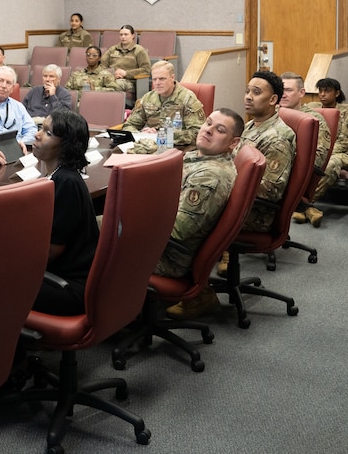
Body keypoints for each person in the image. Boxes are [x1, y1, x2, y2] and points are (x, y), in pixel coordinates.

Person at [161, 109, 245, 319]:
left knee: (94, 228)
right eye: (208, 123)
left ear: (233, 143)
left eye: (219, 130)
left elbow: (177, 231)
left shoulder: (209, 176)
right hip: (165, 245)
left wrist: (131, 214)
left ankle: (102, 312)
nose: (208, 130)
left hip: (169, 257)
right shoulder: (203, 158)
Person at [30, 110, 99, 315]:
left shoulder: (66, 182)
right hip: (66, 276)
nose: (37, 135)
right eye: (41, 128)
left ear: (66, 145)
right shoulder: (59, 176)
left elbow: (51, 251)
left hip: (70, 287)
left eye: (48, 133)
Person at [239, 71, 296, 234]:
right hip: (238, 201)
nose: (248, 97)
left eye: (256, 92)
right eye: (247, 91)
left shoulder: (277, 139)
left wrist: (226, 181)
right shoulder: (251, 125)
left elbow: (271, 191)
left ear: (273, 100)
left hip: (253, 213)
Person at [305, 78, 348, 220]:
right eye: (320, 91)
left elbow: (342, 142)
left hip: (341, 154)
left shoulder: (345, 114)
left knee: (330, 164)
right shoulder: (312, 111)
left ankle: (306, 203)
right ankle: (307, 208)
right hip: (315, 152)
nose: (322, 94)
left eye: (327, 91)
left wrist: (320, 155)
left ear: (337, 93)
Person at [279, 72, 332, 227]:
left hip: (292, 173)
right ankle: (303, 207)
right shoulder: (271, 115)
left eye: (288, 90)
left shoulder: (313, 120)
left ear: (302, 93)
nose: (283, 94)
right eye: (280, 90)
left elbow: (319, 156)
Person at [121, 60, 205, 148]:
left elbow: (197, 132)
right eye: (154, 79)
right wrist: (142, 135)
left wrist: (162, 135)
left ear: (172, 78)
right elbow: (129, 125)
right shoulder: (148, 98)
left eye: (162, 79)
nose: (157, 83)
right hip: (151, 147)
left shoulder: (187, 98)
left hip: (179, 148)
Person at [101, 25, 150, 102]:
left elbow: (146, 69)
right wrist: (113, 74)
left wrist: (125, 73)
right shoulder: (112, 49)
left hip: (129, 81)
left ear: (133, 36)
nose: (123, 37)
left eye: (126, 34)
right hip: (110, 77)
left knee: (114, 85)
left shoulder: (139, 50)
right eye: (121, 35)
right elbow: (102, 66)